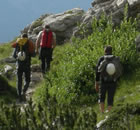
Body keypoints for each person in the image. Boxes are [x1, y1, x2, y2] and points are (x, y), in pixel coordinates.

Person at [95, 45, 122, 113]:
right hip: (113, 80)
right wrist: (118, 80)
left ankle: (102, 112)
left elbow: (97, 71)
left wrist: (96, 82)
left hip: (103, 81)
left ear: (105, 51)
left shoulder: (101, 59)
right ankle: (109, 112)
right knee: (110, 97)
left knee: (102, 97)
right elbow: (119, 70)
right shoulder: (115, 59)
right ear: (111, 51)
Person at [12, 33, 35, 102]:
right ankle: (24, 91)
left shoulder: (18, 43)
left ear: (21, 37)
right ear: (27, 37)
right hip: (27, 65)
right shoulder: (29, 43)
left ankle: (19, 96)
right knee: (27, 80)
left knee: (19, 80)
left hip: (19, 65)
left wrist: (18, 56)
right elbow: (33, 54)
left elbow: (14, 56)